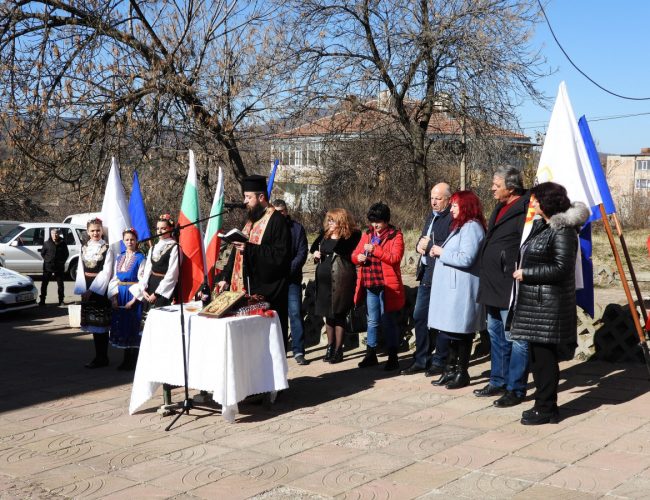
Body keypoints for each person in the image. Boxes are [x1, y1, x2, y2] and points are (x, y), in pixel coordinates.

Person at [510, 182, 589, 425]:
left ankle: (547, 409)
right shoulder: (543, 226)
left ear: (547, 202)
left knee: (545, 360)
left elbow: (562, 268)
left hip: (548, 306)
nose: (531, 204)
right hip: (537, 305)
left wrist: (528, 273)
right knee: (538, 359)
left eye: (535, 200)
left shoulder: (563, 231)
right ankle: (542, 405)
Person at [474, 166, 531, 407]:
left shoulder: (526, 208)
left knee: (514, 337)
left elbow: (525, 244)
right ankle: (498, 379)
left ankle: (515, 387)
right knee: (495, 335)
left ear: (511, 187)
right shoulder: (500, 207)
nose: (492, 189)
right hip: (491, 281)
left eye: (496, 185)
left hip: (509, 282)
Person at [217, 175, 292, 348]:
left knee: (265, 345)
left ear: (261, 197)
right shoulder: (250, 221)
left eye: (248, 197)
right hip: (243, 290)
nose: (245, 201)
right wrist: (225, 277)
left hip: (266, 291)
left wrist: (249, 249)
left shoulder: (277, 221)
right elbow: (236, 254)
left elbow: (281, 256)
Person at [428, 191, 486, 389]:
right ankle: (450, 370)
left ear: (466, 206)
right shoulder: (460, 227)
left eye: (454, 205)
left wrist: (440, 251)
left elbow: (466, 258)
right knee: (450, 331)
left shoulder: (472, 227)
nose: (451, 209)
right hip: (452, 290)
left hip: (461, 290)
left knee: (461, 333)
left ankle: (462, 372)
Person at [400, 183, 453, 376]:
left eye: (438, 198)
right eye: (432, 197)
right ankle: (421, 358)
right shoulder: (431, 215)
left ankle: (440, 360)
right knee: (419, 317)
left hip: (440, 276)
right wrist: (418, 246)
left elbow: (448, 244)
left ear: (448, 199)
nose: (434, 201)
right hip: (425, 274)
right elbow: (422, 239)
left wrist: (429, 244)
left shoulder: (451, 218)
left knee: (439, 322)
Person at [131, 214, 180, 406]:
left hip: (163, 291)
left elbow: (172, 274)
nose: (160, 231)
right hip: (150, 286)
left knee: (161, 327)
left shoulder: (175, 247)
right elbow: (148, 269)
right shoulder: (154, 247)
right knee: (147, 324)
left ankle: (163, 359)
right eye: (158, 228)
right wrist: (143, 288)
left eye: (163, 228)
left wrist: (158, 294)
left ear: (170, 228)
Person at [352, 202, 406, 371]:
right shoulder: (367, 234)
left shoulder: (395, 236)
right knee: (372, 321)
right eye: (372, 221)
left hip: (386, 285)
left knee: (388, 321)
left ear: (386, 221)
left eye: (378, 222)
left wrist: (375, 250)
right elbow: (354, 254)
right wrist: (358, 257)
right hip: (370, 283)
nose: (375, 225)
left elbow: (395, 258)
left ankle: (392, 356)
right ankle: (371, 354)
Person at [310, 208, 361, 364]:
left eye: (333, 220)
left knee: (338, 314)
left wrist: (335, 236)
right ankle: (330, 347)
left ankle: (339, 350)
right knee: (328, 315)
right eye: (329, 220)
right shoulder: (325, 234)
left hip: (340, 280)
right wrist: (315, 254)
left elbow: (343, 250)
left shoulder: (351, 236)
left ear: (341, 221)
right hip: (324, 281)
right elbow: (313, 247)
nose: (330, 223)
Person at [272, 199, 309, 365]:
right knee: (276, 315)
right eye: (276, 211)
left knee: (294, 313)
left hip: (292, 278)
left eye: (282, 211)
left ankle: (298, 350)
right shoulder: (268, 228)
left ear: (286, 211)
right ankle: (279, 349)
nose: (280, 214)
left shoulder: (297, 228)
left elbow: (302, 252)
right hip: (274, 280)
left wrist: (288, 270)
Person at [74, 218, 114, 368]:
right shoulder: (84, 247)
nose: (95, 233)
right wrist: (83, 289)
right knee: (93, 325)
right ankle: (98, 356)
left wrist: (92, 290)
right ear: (88, 232)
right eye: (92, 230)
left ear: (102, 231)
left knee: (101, 326)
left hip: (99, 289)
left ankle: (103, 357)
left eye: (98, 230)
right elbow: (80, 269)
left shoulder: (107, 248)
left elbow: (106, 271)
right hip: (87, 287)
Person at [108, 228, 146, 371]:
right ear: (123, 241)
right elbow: (114, 278)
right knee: (122, 325)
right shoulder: (120, 257)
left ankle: (133, 361)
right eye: (127, 240)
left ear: (136, 241)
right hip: (120, 293)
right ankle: (125, 360)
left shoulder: (140, 258)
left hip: (132, 294)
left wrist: (134, 299)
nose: (129, 242)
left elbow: (143, 280)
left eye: (132, 239)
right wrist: (113, 297)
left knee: (133, 326)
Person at [40, 227, 69, 306]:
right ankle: (42, 300)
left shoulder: (62, 243)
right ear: (51, 234)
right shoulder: (46, 243)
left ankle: (61, 300)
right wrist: (47, 260)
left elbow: (66, 254)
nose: (55, 235)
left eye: (57, 233)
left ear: (59, 234)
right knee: (44, 284)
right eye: (53, 233)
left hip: (59, 267)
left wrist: (62, 262)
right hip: (48, 266)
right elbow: (43, 253)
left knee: (60, 284)